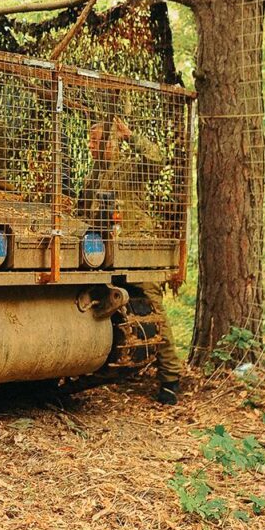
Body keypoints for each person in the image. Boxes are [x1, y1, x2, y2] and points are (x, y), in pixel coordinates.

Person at [79, 110, 184, 405]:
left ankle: (170, 378)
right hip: (104, 254)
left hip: (136, 251)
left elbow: (157, 160)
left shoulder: (130, 168)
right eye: (90, 141)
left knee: (153, 309)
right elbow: (83, 211)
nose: (91, 146)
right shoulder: (94, 176)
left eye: (96, 141)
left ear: (111, 143)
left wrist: (130, 136)